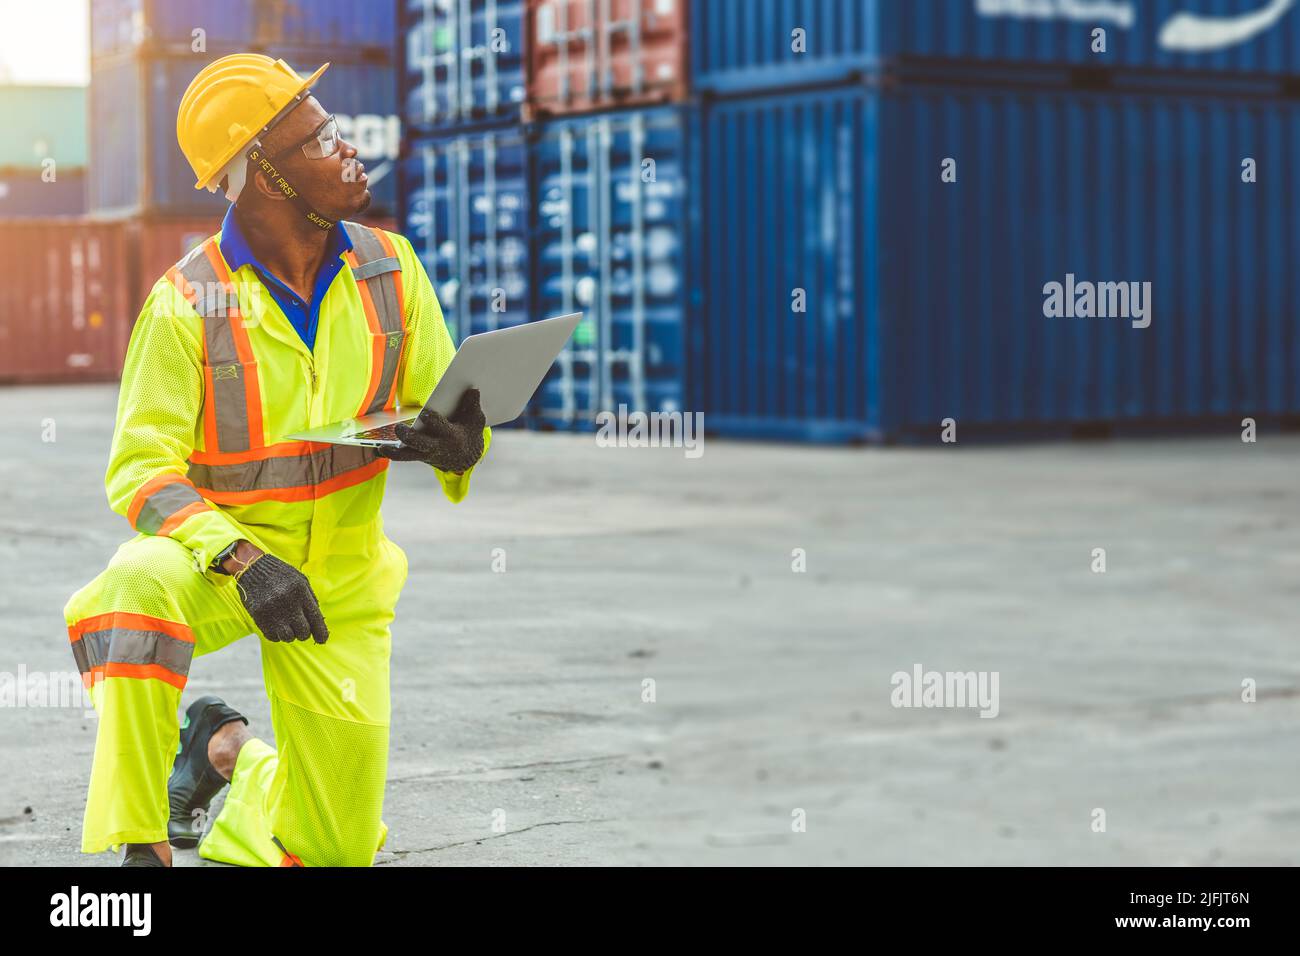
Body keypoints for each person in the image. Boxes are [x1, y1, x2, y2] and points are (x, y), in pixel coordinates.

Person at [62, 53, 490, 867]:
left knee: (334, 852)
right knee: (131, 588)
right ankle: (141, 841)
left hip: (345, 580)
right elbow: (139, 471)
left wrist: (462, 448)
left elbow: (449, 414)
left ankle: (222, 755)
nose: (350, 146)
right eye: (323, 137)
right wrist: (243, 558)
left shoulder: (391, 269)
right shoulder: (187, 300)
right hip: (228, 566)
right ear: (264, 172)